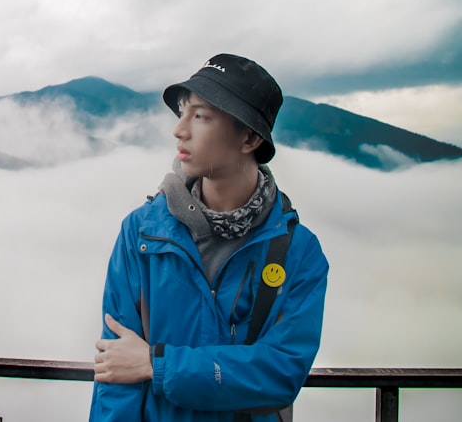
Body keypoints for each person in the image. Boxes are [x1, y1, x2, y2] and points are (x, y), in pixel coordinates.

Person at [89, 54, 329, 422]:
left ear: (249, 137)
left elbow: (279, 373)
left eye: (200, 116)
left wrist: (158, 365)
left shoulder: (299, 252)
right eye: (182, 112)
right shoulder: (141, 233)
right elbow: (116, 373)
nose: (179, 130)